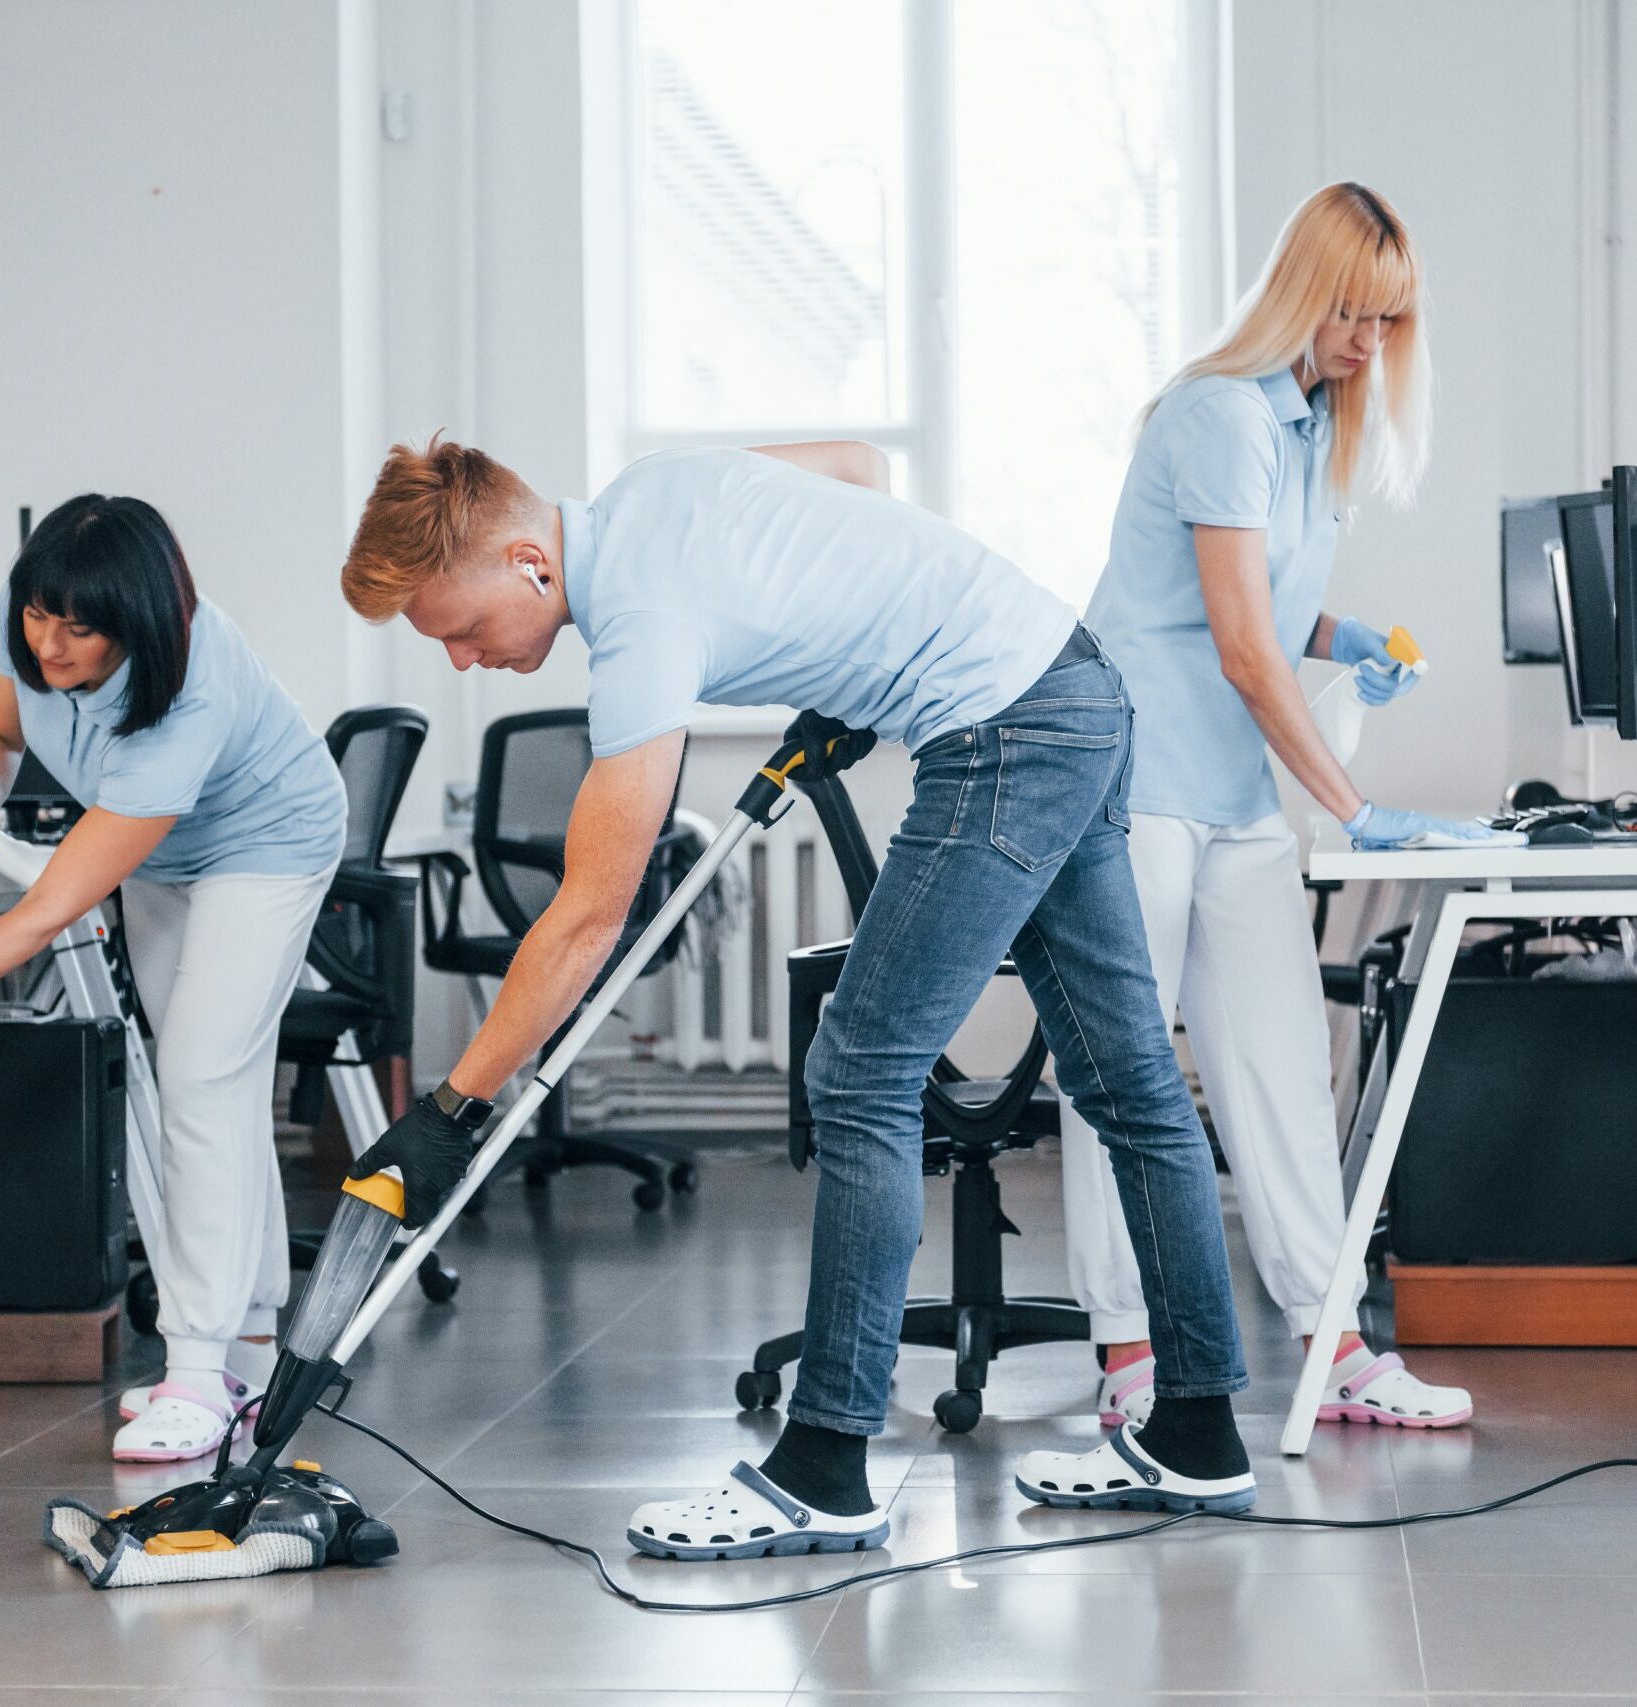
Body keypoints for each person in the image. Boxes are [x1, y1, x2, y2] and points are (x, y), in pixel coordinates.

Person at [339, 432, 1259, 1562]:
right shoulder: (652, 488)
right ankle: (1202, 1434)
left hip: (1007, 732)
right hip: (1074, 685)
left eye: (463, 630)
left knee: (861, 1068)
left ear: (530, 563)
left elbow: (588, 913)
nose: (466, 661)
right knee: (1130, 1084)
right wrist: (851, 671)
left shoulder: (638, 624)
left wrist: (451, 1112)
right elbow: (859, 468)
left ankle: (825, 1466)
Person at [1061, 182, 1476, 1435]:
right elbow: (1240, 648)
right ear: (1302, 292)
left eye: (1390, 321)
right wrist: (1357, 805)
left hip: (1232, 788)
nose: (1366, 340)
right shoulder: (1220, 415)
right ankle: (1130, 1353)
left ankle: (1335, 1343)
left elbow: (1260, 600)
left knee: (1284, 1068)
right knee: (1127, 1071)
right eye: (1350, 311)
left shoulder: (1313, 431)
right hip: (1132, 782)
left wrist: (1344, 633)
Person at [0, 496, 346, 1461]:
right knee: (210, 1080)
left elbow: (47, 913)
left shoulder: (187, 691)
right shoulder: (26, 612)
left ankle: (196, 1371)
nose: (49, 643)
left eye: (79, 629)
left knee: (201, 1075)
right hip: (161, 856)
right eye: (39, 615)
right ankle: (244, 1343)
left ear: (138, 625)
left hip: (268, 844)